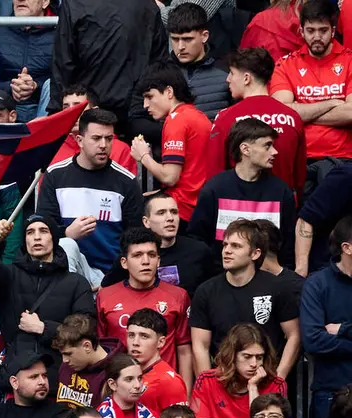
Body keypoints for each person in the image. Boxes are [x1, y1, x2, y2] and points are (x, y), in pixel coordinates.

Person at [39, 108, 144, 277]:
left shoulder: (126, 181)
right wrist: (67, 233)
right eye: (96, 138)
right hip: (65, 271)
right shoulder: (55, 175)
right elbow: (41, 229)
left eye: (109, 139)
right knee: (68, 245)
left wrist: (110, 282)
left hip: (111, 273)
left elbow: (135, 238)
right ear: (79, 140)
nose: (103, 145)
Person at [190, 219, 301, 376]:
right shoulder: (206, 291)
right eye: (225, 245)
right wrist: (207, 386)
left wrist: (279, 378)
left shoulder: (278, 287)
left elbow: (294, 335)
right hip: (223, 382)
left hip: (266, 380)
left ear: (255, 253)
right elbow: (200, 345)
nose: (227, 250)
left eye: (236, 246)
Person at [0, 216, 94, 360]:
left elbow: (86, 330)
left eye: (44, 231)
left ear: (54, 238)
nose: (37, 237)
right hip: (17, 370)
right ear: (24, 241)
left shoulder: (76, 283)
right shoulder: (8, 276)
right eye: (30, 232)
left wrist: (43, 328)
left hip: (60, 369)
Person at [95, 229, 193, 392]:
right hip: (120, 391)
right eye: (137, 255)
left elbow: (184, 350)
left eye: (151, 255)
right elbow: (101, 350)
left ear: (159, 260)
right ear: (124, 262)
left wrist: (185, 394)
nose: (146, 261)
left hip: (163, 389)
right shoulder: (105, 296)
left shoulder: (178, 296)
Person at [189, 119, 297, 262]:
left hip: (270, 279)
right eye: (267, 146)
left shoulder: (281, 191)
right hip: (222, 277)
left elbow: (288, 244)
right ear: (245, 149)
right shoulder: (215, 188)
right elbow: (198, 239)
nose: (275, 152)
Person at [209, 48, 306, 197]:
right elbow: (299, 179)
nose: (228, 79)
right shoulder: (293, 117)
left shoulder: (225, 118)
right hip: (282, 206)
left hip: (237, 210)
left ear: (246, 78)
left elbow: (214, 175)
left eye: (232, 73)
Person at [270, 0, 352, 170]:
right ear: (301, 31)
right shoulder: (285, 65)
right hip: (299, 158)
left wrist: (303, 111)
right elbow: (281, 114)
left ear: (333, 31)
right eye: (310, 30)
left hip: (343, 159)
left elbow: (351, 113)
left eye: (323, 31)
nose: (316, 37)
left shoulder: (350, 61)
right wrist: (332, 103)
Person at [131, 63, 213, 226]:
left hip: (181, 210)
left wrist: (144, 156)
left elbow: (170, 177)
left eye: (150, 96)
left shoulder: (176, 120)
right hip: (199, 206)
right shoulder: (198, 116)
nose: (145, 105)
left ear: (169, 92)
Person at [191, 324, 288, 418]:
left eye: (259, 357)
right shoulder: (207, 380)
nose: (254, 364)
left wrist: (253, 388)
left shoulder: (276, 384)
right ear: (232, 356)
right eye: (247, 356)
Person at [303, 217, 352, 418]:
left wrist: (343, 329)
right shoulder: (317, 284)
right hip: (332, 392)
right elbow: (313, 340)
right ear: (347, 248)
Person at [0, 0, 53, 122]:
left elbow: (65, 78)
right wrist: (13, 87)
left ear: (45, 2)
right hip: (3, 108)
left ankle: (46, 137)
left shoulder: (61, 35)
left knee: (53, 84)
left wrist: (35, 86)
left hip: (44, 106)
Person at [127, 191, 216, 296]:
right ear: (146, 222)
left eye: (174, 212)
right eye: (161, 213)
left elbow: (215, 290)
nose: (170, 218)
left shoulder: (199, 251)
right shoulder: (134, 254)